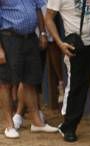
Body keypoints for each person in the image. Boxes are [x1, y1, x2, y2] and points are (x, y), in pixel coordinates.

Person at [46, 0, 90, 143]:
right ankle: (69, 127)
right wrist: (60, 43)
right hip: (77, 44)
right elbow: (48, 18)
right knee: (77, 86)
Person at [0, 0, 59, 138]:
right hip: (9, 38)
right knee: (5, 83)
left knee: (30, 80)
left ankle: (37, 123)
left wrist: (43, 33)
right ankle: (9, 125)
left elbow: (38, 9)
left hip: (30, 37)